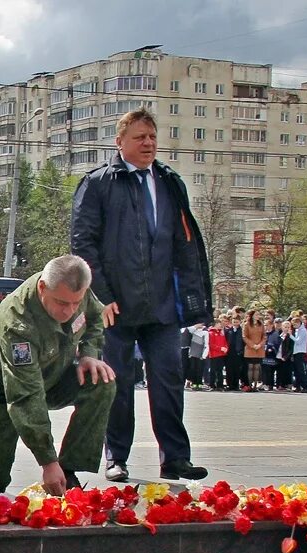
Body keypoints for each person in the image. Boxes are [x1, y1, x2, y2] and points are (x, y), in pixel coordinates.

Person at [70, 107, 211, 483]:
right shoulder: (99, 183)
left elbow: (185, 242)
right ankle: (116, 456)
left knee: (168, 380)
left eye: (151, 136)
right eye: (139, 137)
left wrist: (193, 297)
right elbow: (83, 242)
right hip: (116, 304)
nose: (148, 143)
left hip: (162, 304)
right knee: (116, 384)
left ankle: (176, 458)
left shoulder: (168, 181)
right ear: (120, 142)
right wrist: (100, 295)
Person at [0, 256, 115, 497]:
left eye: (74, 303)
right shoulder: (18, 321)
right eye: (60, 303)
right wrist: (47, 462)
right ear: (42, 288)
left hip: (52, 376)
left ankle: (68, 469)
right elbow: (25, 395)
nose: (68, 311)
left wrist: (89, 353)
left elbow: (96, 317)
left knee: (102, 380)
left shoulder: (78, 292)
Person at [242, 309, 266, 392]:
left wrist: (260, 345)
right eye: (256, 315)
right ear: (252, 316)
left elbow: (264, 336)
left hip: (259, 348)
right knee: (250, 367)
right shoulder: (247, 324)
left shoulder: (261, 325)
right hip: (250, 348)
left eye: (258, 315)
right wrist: (252, 345)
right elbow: (245, 336)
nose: (258, 316)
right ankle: (249, 385)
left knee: (257, 367)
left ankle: (255, 386)